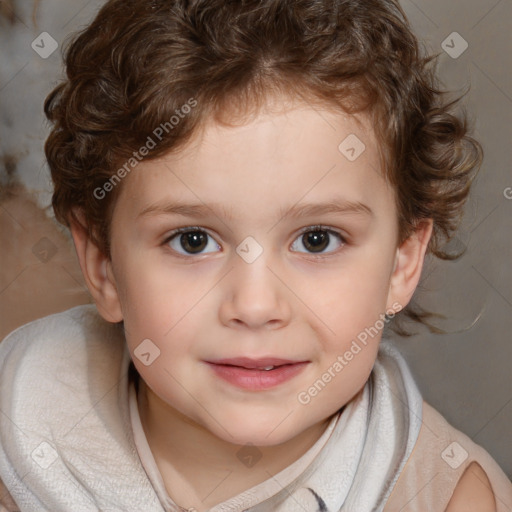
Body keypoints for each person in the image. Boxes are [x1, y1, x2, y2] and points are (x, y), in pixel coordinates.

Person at [0, 0, 511, 510]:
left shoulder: (451, 498)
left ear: (401, 265)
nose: (256, 304)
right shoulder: (20, 447)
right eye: (193, 240)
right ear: (103, 266)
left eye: (317, 240)